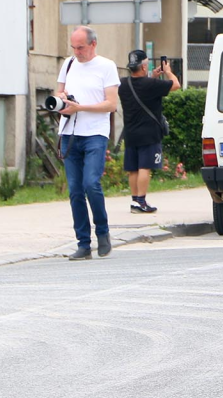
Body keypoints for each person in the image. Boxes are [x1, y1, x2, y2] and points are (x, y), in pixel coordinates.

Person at [55, 26, 122, 260]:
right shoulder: (69, 63)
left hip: (95, 133)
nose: (77, 52)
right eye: (73, 47)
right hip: (69, 133)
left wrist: (80, 107)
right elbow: (60, 92)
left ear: (93, 44)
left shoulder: (106, 66)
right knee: (75, 191)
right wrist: (61, 100)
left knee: (91, 183)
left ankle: (102, 232)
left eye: (80, 47)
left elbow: (111, 104)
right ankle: (83, 244)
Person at [118, 50, 179, 213]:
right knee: (145, 166)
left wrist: (151, 76)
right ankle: (142, 201)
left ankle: (134, 201)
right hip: (149, 134)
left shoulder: (123, 85)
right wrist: (168, 72)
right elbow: (176, 85)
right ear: (144, 67)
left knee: (133, 168)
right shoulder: (151, 85)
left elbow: (140, 88)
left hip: (130, 133)